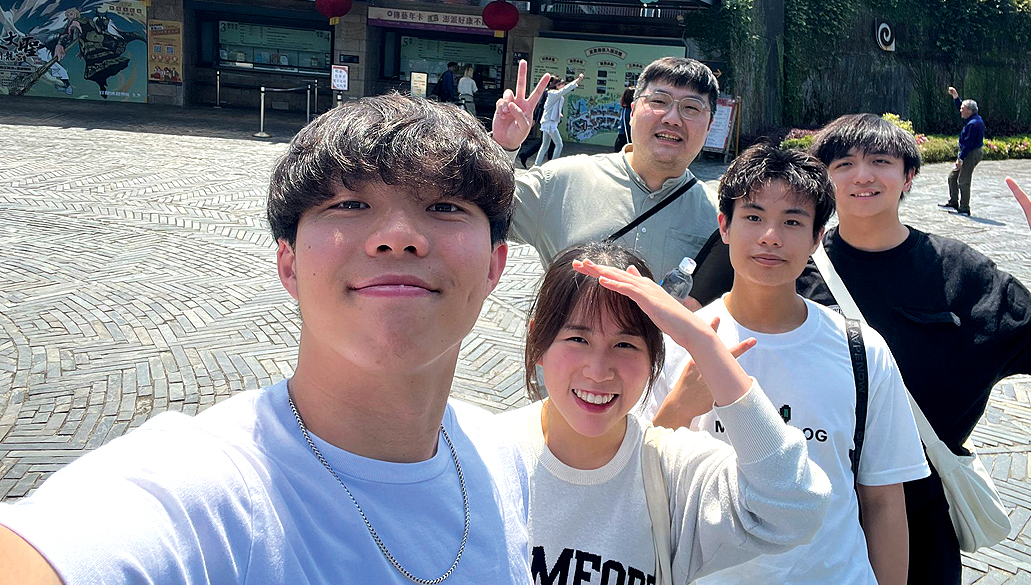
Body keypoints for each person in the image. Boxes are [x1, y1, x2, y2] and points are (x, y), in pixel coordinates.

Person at [0, 95, 533, 584]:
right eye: (349, 205)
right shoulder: (198, 492)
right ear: (289, 263)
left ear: (495, 265)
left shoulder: (502, 457)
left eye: (445, 207)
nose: (398, 237)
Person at [795, 113, 1031, 584]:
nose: (862, 175)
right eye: (844, 164)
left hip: (922, 515)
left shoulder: (960, 272)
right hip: (815, 505)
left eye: (880, 161)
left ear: (909, 175)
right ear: (824, 179)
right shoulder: (796, 269)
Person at [648, 143, 929, 585]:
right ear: (724, 226)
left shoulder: (861, 350)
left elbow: (883, 500)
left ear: (817, 239)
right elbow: (642, 478)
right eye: (753, 217)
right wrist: (681, 406)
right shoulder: (680, 342)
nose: (770, 236)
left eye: (793, 222)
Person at [500, 241, 831, 584]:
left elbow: (797, 507)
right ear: (538, 342)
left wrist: (703, 344)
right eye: (578, 340)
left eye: (625, 345)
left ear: (653, 358)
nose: (598, 371)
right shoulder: (488, 453)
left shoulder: (673, 473)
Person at [492, 57, 720, 284]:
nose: (672, 119)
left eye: (691, 108)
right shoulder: (561, 181)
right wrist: (502, 148)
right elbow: (482, 214)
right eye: (659, 101)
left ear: (709, 125)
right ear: (632, 112)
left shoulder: (719, 222)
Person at [939, 86, 985, 216]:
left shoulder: (974, 124)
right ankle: (953, 202)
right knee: (952, 177)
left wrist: (960, 158)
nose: (960, 110)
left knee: (963, 180)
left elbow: (968, 145)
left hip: (971, 153)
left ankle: (965, 208)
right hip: (968, 151)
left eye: (962, 109)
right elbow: (962, 106)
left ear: (969, 111)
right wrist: (956, 97)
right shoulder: (972, 118)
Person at [534, 73, 583, 166]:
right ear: (557, 85)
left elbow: (550, 107)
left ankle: (537, 164)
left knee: (545, 145)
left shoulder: (557, 95)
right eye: (561, 84)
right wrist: (577, 80)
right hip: (550, 123)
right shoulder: (553, 93)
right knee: (559, 144)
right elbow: (565, 90)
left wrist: (559, 114)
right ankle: (553, 164)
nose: (563, 85)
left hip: (548, 122)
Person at [614, 86, 636, 152]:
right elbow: (627, 128)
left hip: (622, 138)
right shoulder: (628, 111)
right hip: (624, 139)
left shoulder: (625, 109)